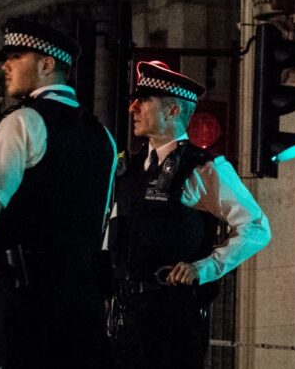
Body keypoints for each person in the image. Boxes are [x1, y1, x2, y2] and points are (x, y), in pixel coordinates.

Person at [0, 18, 117, 369]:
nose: (6, 65)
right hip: (82, 302)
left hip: (24, 296)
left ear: (47, 64)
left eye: (16, 56)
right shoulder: (102, 136)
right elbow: (103, 218)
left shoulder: (22, 122)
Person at [107, 60, 271, 369]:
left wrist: (204, 268)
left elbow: (257, 226)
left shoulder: (203, 168)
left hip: (173, 322)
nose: (133, 108)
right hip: (125, 318)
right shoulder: (128, 169)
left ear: (172, 111)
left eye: (144, 101)